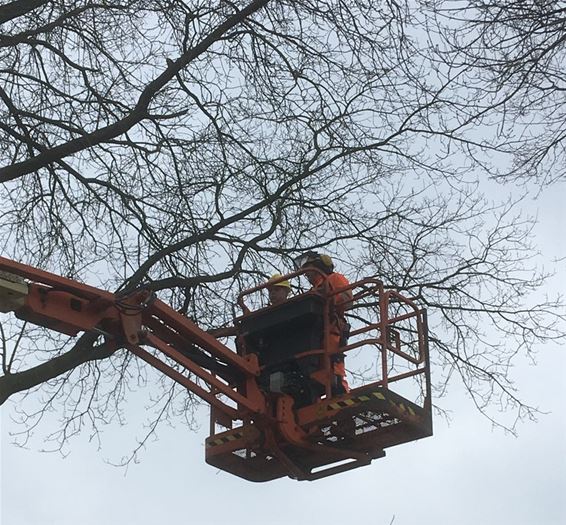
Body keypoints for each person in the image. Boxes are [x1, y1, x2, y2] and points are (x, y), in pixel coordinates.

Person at [293, 251, 352, 394]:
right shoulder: (314, 289)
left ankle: (341, 390)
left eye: (309, 269)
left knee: (332, 365)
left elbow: (347, 299)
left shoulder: (334, 278)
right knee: (314, 368)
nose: (306, 274)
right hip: (314, 332)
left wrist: (330, 298)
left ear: (319, 266)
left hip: (330, 330)